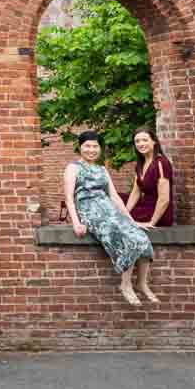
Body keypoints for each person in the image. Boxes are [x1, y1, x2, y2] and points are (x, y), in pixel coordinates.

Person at [64, 130, 156, 305]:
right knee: (126, 238)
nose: (91, 150)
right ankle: (125, 284)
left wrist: (131, 220)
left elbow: (114, 197)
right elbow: (69, 198)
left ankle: (142, 283)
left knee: (141, 238)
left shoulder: (102, 169)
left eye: (95, 146)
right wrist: (76, 222)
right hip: (90, 212)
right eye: (87, 146)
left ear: (100, 148)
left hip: (108, 209)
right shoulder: (73, 168)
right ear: (80, 147)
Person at [126, 127, 174, 228]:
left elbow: (164, 199)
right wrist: (124, 214)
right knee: (114, 201)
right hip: (144, 206)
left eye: (145, 140)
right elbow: (135, 192)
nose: (141, 144)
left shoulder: (161, 163)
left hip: (158, 212)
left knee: (115, 218)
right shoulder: (140, 164)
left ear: (154, 142)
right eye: (137, 141)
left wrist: (152, 223)